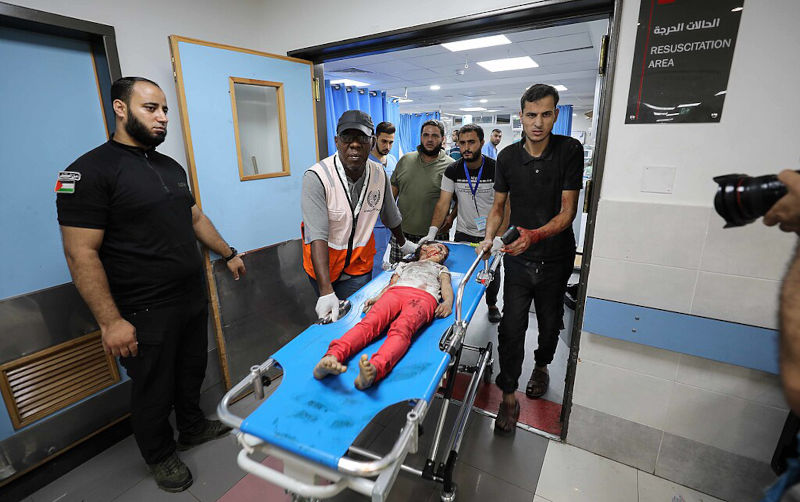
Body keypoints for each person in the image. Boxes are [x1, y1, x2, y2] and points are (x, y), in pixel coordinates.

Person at [56, 77, 245, 492]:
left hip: (189, 297)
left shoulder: (168, 166)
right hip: (142, 309)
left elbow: (195, 219)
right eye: (151, 109)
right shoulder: (87, 172)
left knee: (190, 370)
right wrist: (110, 323)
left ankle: (192, 428)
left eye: (164, 111)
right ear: (120, 109)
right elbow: (80, 254)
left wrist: (228, 252)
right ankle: (160, 455)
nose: (162, 118)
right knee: (153, 388)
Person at [477, 84, 583, 434]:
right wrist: (489, 237)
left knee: (550, 323)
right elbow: (497, 207)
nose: (538, 122)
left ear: (555, 114)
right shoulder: (507, 158)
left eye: (546, 114)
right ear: (520, 116)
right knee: (511, 327)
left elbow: (568, 212)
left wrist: (534, 235)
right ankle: (509, 395)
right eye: (531, 115)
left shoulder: (569, 150)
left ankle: (541, 364)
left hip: (555, 258)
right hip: (518, 261)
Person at [302, 110, 417, 322]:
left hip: (358, 264)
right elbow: (317, 234)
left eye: (362, 138)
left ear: (371, 141)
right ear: (337, 141)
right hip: (323, 265)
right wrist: (326, 291)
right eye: (347, 137)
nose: (354, 144)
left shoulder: (378, 173)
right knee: (330, 320)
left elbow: (391, 215)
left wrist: (403, 243)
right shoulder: (317, 177)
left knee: (356, 317)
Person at [313, 242, 453, 389]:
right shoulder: (404, 265)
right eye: (440, 248)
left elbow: (446, 286)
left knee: (402, 329)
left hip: (424, 298)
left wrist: (448, 302)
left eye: (444, 253)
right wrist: (378, 297)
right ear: (424, 248)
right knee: (369, 324)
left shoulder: (441, 268)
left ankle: (375, 369)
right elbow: (392, 283)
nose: (443, 253)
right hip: (396, 292)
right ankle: (332, 356)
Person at [422, 123, 504, 323]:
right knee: (462, 273)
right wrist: (432, 233)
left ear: (481, 143)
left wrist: (498, 238)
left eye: (472, 142)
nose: (466, 147)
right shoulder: (453, 170)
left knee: (490, 273)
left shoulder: (496, 169)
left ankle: (492, 304)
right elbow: (443, 203)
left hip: (490, 234)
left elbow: (504, 206)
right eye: (462, 143)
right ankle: (461, 307)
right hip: (464, 232)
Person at [389, 120, 455, 263]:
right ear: (420, 137)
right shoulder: (405, 160)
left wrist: (451, 217)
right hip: (402, 236)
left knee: (431, 279)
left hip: (435, 237)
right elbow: (391, 196)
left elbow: (462, 199)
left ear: (443, 139)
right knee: (397, 276)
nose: (430, 139)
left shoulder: (451, 166)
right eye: (426, 135)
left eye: (435, 136)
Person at [369, 121, 398, 276]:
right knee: (374, 264)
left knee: (383, 261)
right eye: (384, 141)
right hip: (374, 224)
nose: (387, 146)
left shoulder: (392, 160)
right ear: (375, 138)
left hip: (390, 223)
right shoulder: (366, 162)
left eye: (391, 142)